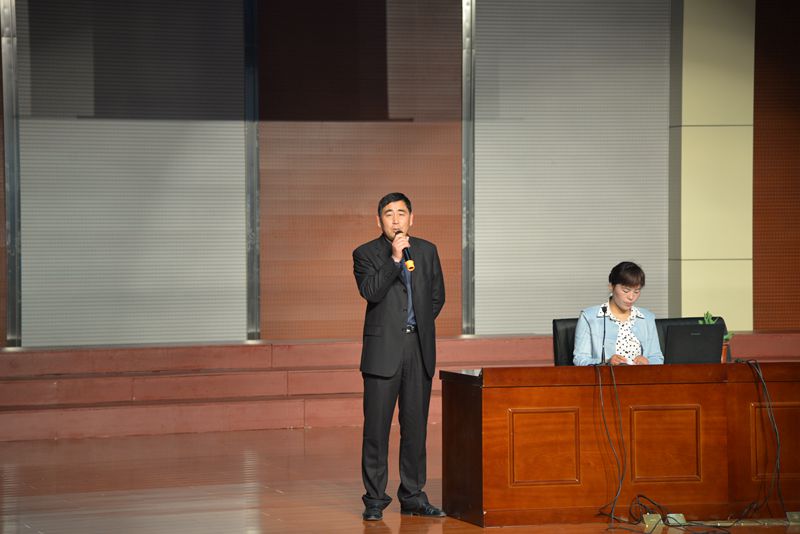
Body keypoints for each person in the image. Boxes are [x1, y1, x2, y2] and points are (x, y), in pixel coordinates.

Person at [353, 192, 446, 521]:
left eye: (402, 213)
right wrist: (394, 260)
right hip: (382, 352)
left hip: (417, 348)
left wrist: (417, 326)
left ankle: (413, 496)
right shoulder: (365, 253)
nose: (396, 219)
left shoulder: (427, 251)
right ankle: (374, 500)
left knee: (415, 429)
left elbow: (437, 297)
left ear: (411, 219)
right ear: (379, 221)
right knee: (376, 430)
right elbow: (371, 291)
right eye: (389, 214)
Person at [573, 261, 663, 366]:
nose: (631, 297)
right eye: (626, 291)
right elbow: (580, 360)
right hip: (607, 376)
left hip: (641, 375)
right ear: (611, 286)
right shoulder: (589, 317)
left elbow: (657, 358)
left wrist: (648, 362)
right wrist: (606, 362)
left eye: (636, 291)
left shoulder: (647, 318)